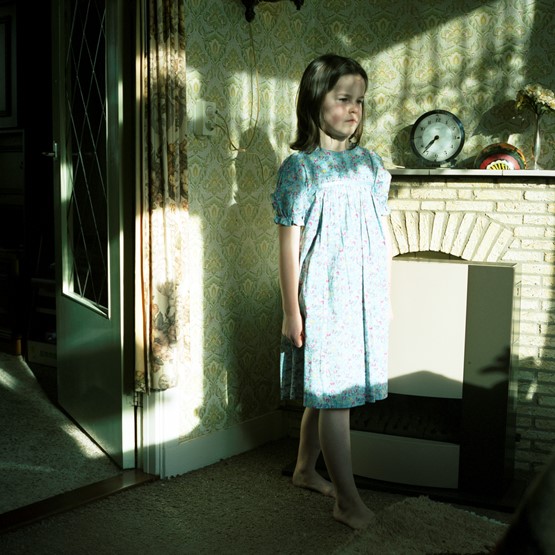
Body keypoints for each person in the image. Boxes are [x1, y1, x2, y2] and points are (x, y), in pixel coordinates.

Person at [271, 53, 392, 530]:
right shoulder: (300, 169)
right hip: (323, 296)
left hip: (362, 295)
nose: (353, 109)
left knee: (324, 391)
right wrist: (291, 310)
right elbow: (288, 244)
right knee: (335, 394)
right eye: (343, 98)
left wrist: (383, 292)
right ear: (315, 100)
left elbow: (379, 230)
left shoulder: (370, 165)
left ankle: (304, 469)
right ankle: (347, 500)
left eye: (359, 100)